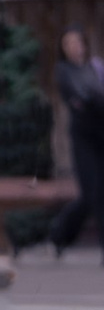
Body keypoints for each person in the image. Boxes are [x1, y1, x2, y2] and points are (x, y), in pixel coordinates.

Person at [51, 28, 104, 257]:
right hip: (83, 138)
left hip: (102, 133)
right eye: (67, 43)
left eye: (76, 42)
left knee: (97, 194)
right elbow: (79, 97)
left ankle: (61, 234)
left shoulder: (96, 67)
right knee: (92, 193)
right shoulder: (64, 71)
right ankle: (61, 233)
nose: (73, 46)